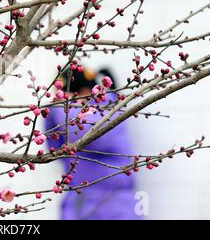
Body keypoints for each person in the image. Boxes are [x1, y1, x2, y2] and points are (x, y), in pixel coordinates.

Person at [45, 67, 140, 220]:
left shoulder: (107, 109)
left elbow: (90, 134)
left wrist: (58, 107)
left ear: (82, 91)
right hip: (82, 197)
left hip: (113, 201)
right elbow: (54, 148)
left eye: (66, 96)